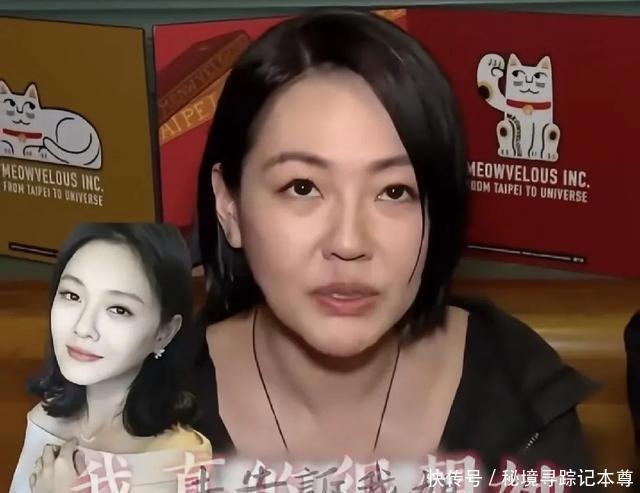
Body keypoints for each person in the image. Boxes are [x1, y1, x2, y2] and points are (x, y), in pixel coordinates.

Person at [191, 7, 597, 479]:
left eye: (395, 191)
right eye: (302, 187)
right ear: (229, 205)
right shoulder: (143, 393)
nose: (348, 242)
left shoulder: (514, 389)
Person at [10, 223, 212, 493]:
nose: (83, 327)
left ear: (164, 333)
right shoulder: (44, 420)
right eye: (72, 295)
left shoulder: (178, 461)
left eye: (118, 309)